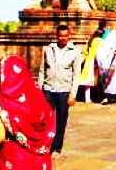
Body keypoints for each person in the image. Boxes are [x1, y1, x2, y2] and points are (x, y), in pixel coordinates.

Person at [39, 24, 82, 159]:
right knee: (45, 119)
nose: (63, 38)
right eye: (60, 35)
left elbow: (76, 75)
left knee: (60, 120)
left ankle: (56, 147)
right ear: (57, 36)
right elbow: (42, 70)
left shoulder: (74, 51)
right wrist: (40, 89)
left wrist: (73, 94)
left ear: (69, 36)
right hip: (48, 88)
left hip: (64, 89)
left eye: (65, 35)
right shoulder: (49, 49)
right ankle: (44, 144)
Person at [97, 29, 116, 104]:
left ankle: (108, 97)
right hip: (109, 67)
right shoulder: (107, 45)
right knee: (110, 82)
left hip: (110, 68)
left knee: (111, 82)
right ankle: (107, 97)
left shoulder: (106, 44)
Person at [80, 29, 104, 103]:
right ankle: (98, 97)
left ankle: (87, 98)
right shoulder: (101, 41)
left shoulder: (91, 40)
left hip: (89, 60)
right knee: (97, 80)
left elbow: (84, 50)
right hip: (97, 60)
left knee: (87, 81)